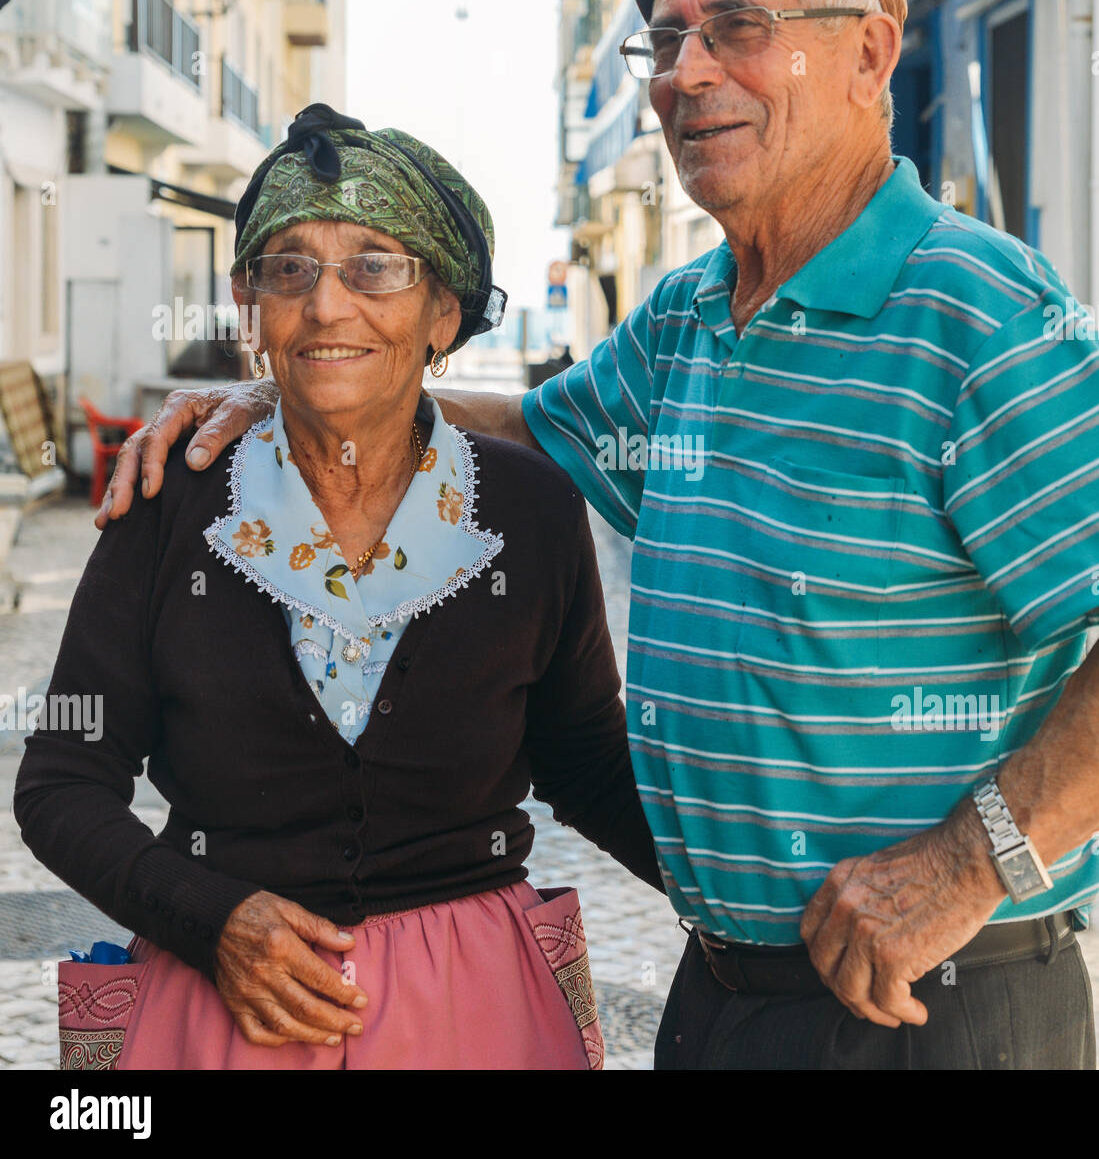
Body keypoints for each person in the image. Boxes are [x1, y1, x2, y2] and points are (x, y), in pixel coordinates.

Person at [98, 0, 1099, 1071]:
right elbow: (524, 432)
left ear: (871, 56)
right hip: (727, 992)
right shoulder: (689, 320)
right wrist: (308, 380)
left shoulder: (968, 310)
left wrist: (966, 861)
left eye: (738, 29)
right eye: (666, 40)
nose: (686, 72)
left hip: (923, 1003)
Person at [16, 106, 662, 1070]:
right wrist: (210, 916)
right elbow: (63, 779)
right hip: (221, 1013)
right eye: (290, 270)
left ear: (444, 312)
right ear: (253, 310)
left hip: (474, 1016)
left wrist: (766, 908)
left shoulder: (530, 511)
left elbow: (586, 763)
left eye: (375, 267)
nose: (326, 307)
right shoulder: (168, 504)